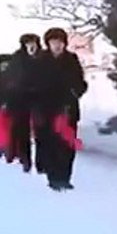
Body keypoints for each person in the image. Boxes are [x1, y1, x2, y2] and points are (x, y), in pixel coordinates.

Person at [41, 27, 87, 190]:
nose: (57, 45)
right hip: (47, 110)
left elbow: (81, 83)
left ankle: (65, 177)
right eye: (53, 42)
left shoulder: (71, 60)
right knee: (51, 144)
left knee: (68, 145)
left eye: (60, 42)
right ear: (48, 43)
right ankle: (53, 177)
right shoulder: (41, 60)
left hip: (68, 109)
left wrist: (75, 92)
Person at [4, 34, 45, 173]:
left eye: (33, 42)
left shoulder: (44, 58)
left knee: (41, 130)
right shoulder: (17, 59)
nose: (31, 45)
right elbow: (10, 80)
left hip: (40, 98)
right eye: (28, 43)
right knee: (22, 132)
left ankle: (41, 162)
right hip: (20, 99)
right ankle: (25, 160)